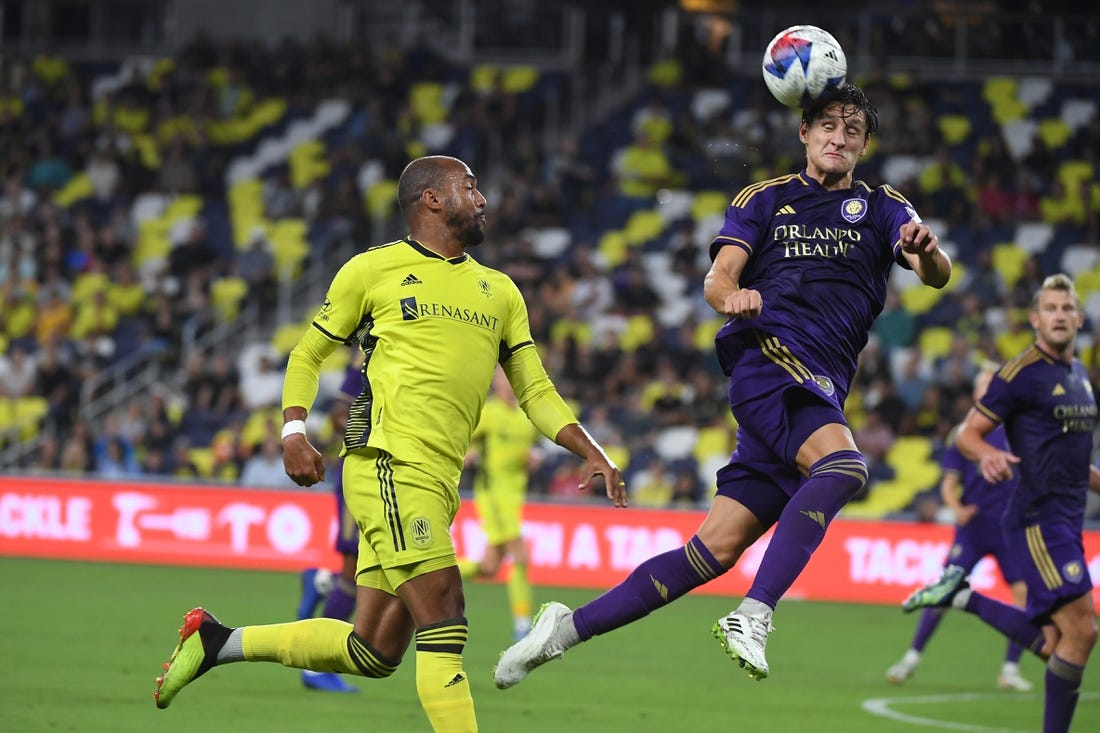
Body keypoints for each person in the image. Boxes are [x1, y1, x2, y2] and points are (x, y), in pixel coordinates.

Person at [494, 82, 951, 689]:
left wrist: (928, 253)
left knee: (712, 551)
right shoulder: (764, 201)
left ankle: (562, 630)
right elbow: (718, 278)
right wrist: (730, 297)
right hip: (769, 364)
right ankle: (754, 614)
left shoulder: (884, 207)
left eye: (852, 131)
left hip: (818, 388)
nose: (839, 138)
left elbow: (935, 273)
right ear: (805, 133)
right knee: (843, 468)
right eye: (828, 127)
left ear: (865, 145)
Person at [152, 155, 626, 733]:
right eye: (469, 188)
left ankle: (217, 642)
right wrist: (294, 430)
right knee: (447, 612)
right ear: (431, 200)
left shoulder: (499, 291)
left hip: (438, 480)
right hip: (387, 465)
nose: (481, 199)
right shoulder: (372, 270)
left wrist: (591, 449)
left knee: (373, 650)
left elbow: (535, 388)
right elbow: (307, 354)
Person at [902, 274, 1098, 733]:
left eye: (1067, 308)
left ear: (1079, 318)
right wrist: (987, 452)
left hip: (1066, 519)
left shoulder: (1079, 375)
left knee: (1056, 644)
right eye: (1050, 308)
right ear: (1034, 319)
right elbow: (967, 434)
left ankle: (963, 597)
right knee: (1084, 631)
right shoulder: (1018, 374)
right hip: (1038, 519)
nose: (1059, 316)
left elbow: (1074, 462)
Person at [886, 364, 1032, 691]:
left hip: (1011, 527)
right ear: (977, 392)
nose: (989, 389)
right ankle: (911, 658)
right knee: (944, 589)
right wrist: (957, 509)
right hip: (975, 526)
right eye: (984, 384)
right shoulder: (965, 433)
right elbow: (949, 483)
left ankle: (1009, 668)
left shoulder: (1020, 430)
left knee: (1024, 595)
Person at [294, 356, 364, 693]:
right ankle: (317, 667)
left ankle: (321, 582)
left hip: (396, 480)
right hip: (361, 479)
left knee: (382, 580)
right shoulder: (368, 358)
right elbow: (340, 414)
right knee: (356, 577)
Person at [457, 366, 541, 641]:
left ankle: (429, 571)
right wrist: (469, 453)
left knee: (490, 566)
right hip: (493, 494)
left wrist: (532, 459)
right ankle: (523, 628)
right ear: (496, 382)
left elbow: (528, 450)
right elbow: (463, 437)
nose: (508, 384)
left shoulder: (526, 417)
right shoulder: (490, 412)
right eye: (503, 379)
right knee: (520, 556)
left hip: (515, 496)